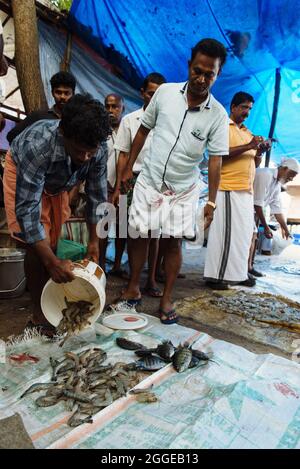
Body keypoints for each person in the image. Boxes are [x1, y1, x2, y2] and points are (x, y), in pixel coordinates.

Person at [119, 38, 229, 323]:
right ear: (189, 64)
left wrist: (212, 202)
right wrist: (128, 168)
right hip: (151, 179)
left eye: (210, 74)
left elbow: (215, 161)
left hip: (183, 188)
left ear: (217, 75)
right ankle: (133, 287)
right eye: (198, 70)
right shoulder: (165, 93)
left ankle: (167, 298)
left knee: (172, 242)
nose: (202, 78)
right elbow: (143, 130)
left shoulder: (218, 115)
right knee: (138, 232)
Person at [3, 94, 110, 336]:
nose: (85, 158)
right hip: (22, 172)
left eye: (89, 153)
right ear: (63, 133)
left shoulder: (99, 147)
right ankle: (38, 313)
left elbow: (96, 197)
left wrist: (94, 243)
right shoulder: (37, 148)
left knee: (52, 240)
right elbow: (27, 212)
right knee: (32, 241)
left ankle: (54, 295)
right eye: (79, 151)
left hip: (59, 182)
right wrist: (51, 262)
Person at [204, 91, 270, 289]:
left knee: (242, 237)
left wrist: (258, 151)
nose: (247, 112)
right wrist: (249, 145)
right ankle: (216, 276)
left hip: (244, 190)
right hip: (228, 188)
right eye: (243, 108)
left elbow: (254, 163)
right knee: (225, 235)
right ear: (233, 107)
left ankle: (238, 273)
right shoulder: (224, 127)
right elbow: (219, 154)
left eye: (250, 108)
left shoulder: (248, 132)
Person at [112, 72, 166, 296]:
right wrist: (118, 186)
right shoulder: (130, 120)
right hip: (132, 180)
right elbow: (122, 155)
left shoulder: (168, 123)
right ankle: (132, 280)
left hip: (157, 183)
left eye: (159, 95)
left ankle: (150, 280)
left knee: (154, 234)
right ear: (142, 93)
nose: (155, 98)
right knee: (133, 232)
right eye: (151, 93)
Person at [252, 157, 299, 267]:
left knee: (253, 239)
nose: (291, 179)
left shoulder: (277, 185)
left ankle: (248, 268)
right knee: (249, 240)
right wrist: (266, 227)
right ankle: (245, 269)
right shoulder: (266, 174)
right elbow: (257, 204)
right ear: (284, 168)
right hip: (243, 209)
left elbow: (277, 210)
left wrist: (286, 229)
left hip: (253, 213)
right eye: (291, 174)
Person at [7, 71, 76, 144]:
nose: (62, 96)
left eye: (66, 93)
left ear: (73, 94)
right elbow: (11, 136)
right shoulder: (38, 116)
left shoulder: (76, 120)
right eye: (58, 92)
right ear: (52, 93)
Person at [98, 93, 125, 273]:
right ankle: (99, 263)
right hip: (104, 185)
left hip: (123, 186)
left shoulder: (127, 129)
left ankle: (117, 265)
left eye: (115, 107)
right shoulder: (100, 131)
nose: (110, 110)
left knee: (122, 228)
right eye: (107, 106)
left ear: (122, 108)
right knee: (103, 227)